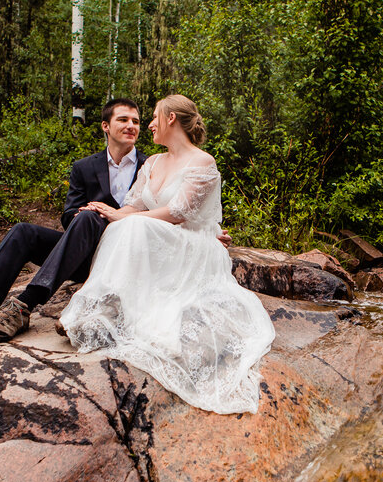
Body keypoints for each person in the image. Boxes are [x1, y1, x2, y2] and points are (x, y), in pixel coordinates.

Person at [59, 95, 275, 414]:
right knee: (124, 227)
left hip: (195, 245)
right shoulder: (153, 163)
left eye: (154, 117)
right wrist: (109, 212)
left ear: (171, 118)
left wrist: (126, 218)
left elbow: (178, 212)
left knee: (131, 227)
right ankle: (108, 305)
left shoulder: (203, 162)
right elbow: (135, 206)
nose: (148, 125)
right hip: (162, 235)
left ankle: (120, 312)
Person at [0, 98, 147, 340]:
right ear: (105, 126)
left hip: (120, 258)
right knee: (25, 231)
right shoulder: (84, 167)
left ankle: (24, 306)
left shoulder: (149, 166)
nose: (131, 126)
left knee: (89, 218)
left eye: (136, 121)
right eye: (123, 119)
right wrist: (80, 214)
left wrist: (105, 215)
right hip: (82, 253)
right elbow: (68, 215)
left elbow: (157, 217)